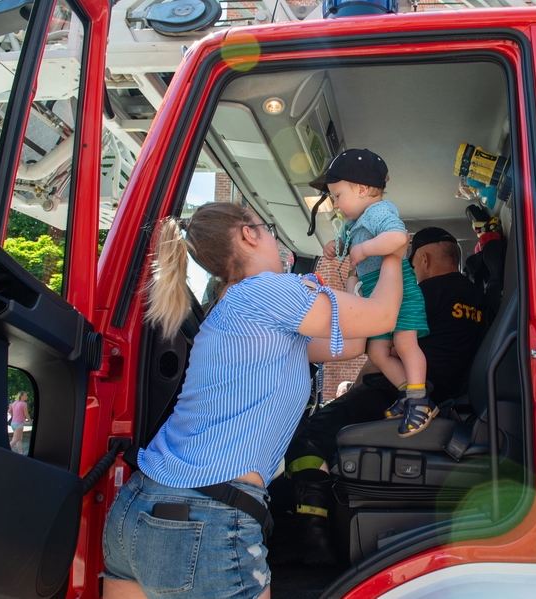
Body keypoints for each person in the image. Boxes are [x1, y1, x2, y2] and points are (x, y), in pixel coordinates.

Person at [101, 202, 406, 599]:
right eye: (270, 229)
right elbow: (383, 317)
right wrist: (395, 252)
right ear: (249, 234)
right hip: (207, 519)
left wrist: (351, 279)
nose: (275, 240)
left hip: (136, 512)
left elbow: (352, 343)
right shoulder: (266, 291)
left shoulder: (233, 310)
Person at [270, 227, 488, 565]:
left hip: (394, 394)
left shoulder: (423, 292)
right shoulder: (480, 300)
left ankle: (310, 534)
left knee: (310, 435)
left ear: (424, 259)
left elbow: (377, 346)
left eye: (413, 265)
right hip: (446, 400)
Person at [315, 149, 436, 439]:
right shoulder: (351, 224)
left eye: (338, 195)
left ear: (363, 189)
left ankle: (419, 400)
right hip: (375, 294)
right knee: (377, 351)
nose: (335, 203)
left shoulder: (379, 211)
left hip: (401, 291)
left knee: (404, 343)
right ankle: (408, 394)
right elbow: (345, 250)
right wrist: (336, 247)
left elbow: (398, 238)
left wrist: (365, 249)